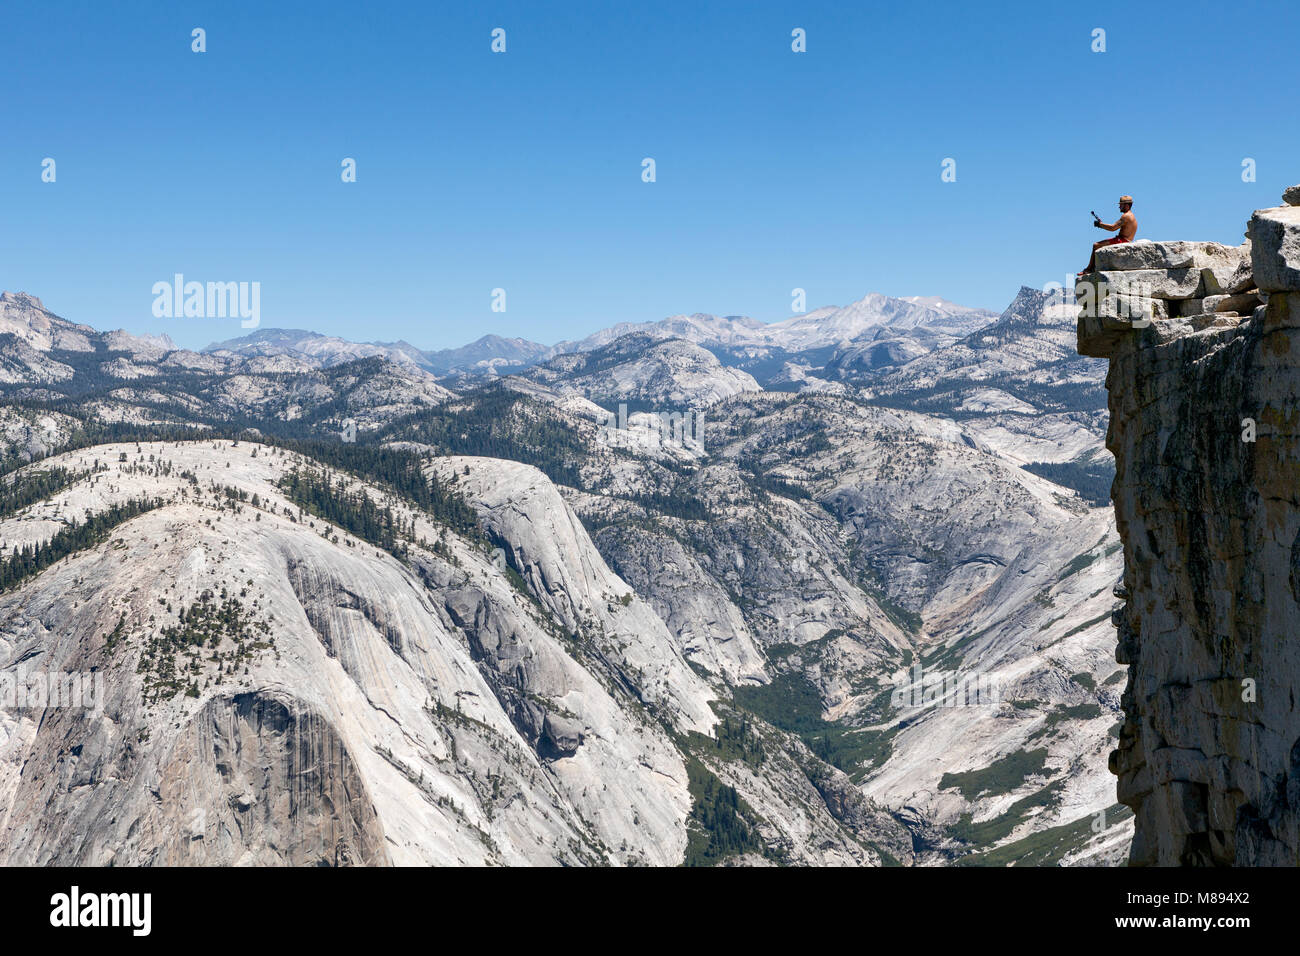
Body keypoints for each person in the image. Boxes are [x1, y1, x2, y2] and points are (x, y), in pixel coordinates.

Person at [1079, 196, 1137, 276]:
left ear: (1126, 205)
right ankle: (1091, 268)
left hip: (1122, 240)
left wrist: (1100, 225)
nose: (1119, 206)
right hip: (1125, 240)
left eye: (1121, 205)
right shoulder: (1132, 216)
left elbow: (1113, 228)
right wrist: (1102, 224)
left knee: (1096, 245)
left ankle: (1089, 269)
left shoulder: (1126, 216)